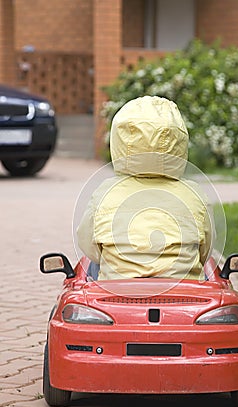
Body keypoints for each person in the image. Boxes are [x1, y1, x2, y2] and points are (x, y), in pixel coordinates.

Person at [77, 96, 213, 281]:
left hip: (116, 295)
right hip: (185, 294)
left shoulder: (105, 193)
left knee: (92, 266)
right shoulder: (194, 194)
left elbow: (89, 247)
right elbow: (205, 250)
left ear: (119, 142)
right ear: (179, 141)